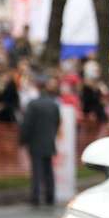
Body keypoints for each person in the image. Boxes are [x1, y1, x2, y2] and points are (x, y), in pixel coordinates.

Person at [20, 72, 62, 207]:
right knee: (48, 170)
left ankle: (36, 196)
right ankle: (50, 196)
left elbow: (27, 124)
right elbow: (57, 122)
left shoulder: (33, 105)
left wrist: (23, 140)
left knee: (37, 171)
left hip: (36, 142)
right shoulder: (54, 105)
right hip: (49, 141)